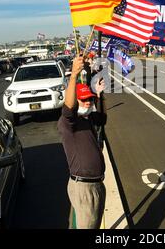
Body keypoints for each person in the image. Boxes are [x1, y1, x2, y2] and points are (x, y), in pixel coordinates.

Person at [57, 56, 107, 229]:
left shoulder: (87, 118)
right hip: (84, 188)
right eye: (84, 99)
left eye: (90, 99)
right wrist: (73, 76)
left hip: (95, 185)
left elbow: (102, 119)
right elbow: (68, 108)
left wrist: (99, 95)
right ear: (76, 102)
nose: (88, 102)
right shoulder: (69, 123)